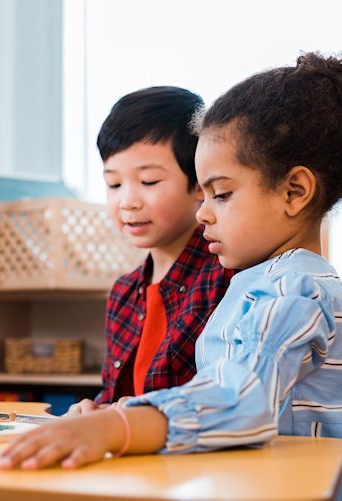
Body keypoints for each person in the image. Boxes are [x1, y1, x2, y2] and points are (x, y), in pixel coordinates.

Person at [0, 52, 342, 501]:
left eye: (221, 194)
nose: (203, 213)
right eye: (205, 194)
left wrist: (115, 425)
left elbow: (240, 398)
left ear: (294, 191)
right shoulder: (259, 282)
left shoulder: (295, 287)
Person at [68, 86, 234, 414]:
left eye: (149, 182)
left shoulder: (228, 273)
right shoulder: (124, 293)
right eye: (114, 184)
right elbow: (117, 394)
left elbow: (229, 398)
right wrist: (91, 411)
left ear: (198, 185)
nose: (128, 201)